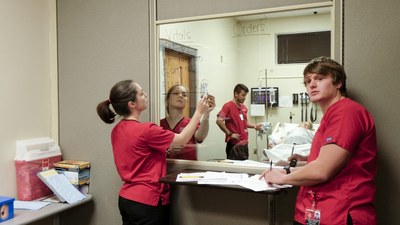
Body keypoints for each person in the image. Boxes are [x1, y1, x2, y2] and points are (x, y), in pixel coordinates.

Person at [260, 57, 377, 225]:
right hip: (318, 211)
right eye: (308, 81)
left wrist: (282, 178)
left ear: (338, 83)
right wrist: (297, 164)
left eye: (320, 78)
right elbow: (331, 162)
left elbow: (322, 170)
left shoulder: (347, 112)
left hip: (339, 214)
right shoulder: (331, 115)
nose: (312, 84)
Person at [96, 80, 209, 225]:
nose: (146, 95)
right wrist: (199, 112)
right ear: (132, 104)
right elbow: (181, 139)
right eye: (142, 93)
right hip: (148, 201)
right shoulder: (147, 130)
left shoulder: (117, 130)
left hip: (127, 199)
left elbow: (140, 154)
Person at [160, 84, 215, 160]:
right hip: (165, 168)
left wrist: (206, 113)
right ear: (167, 99)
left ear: (187, 101)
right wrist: (166, 149)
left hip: (188, 168)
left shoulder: (191, 122)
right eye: (176, 93)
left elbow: (200, 137)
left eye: (184, 95)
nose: (180, 96)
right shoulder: (159, 124)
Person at [216, 83, 261, 160]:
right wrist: (230, 134)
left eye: (245, 96)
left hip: (244, 144)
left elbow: (244, 123)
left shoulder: (243, 107)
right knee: (234, 170)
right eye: (243, 95)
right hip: (234, 145)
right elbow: (219, 121)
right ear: (236, 94)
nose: (244, 98)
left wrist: (254, 126)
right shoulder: (228, 106)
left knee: (244, 168)